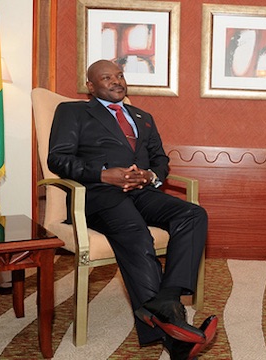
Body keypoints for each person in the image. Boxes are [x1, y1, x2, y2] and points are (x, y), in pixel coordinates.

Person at [47, 59, 216, 359]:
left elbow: (160, 159)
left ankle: (166, 299)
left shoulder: (143, 116)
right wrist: (103, 173)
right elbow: (58, 159)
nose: (116, 81)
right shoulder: (72, 112)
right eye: (107, 77)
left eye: (120, 75)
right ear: (90, 86)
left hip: (141, 191)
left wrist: (150, 176)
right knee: (137, 233)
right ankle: (172, 335)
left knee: (192, 214)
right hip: (98, 194)